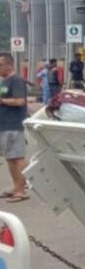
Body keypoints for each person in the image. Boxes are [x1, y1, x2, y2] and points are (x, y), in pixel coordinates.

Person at [0, 53, 29, 203]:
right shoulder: (3, 81)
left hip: (14, 124)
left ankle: (21, 190)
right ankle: (16, 186)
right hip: (4, 124)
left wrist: (2, 101)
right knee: (10, 157)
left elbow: (20, 101)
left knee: (17, 157)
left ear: (9, 65)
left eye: (0, 65)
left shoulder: (16, 80)